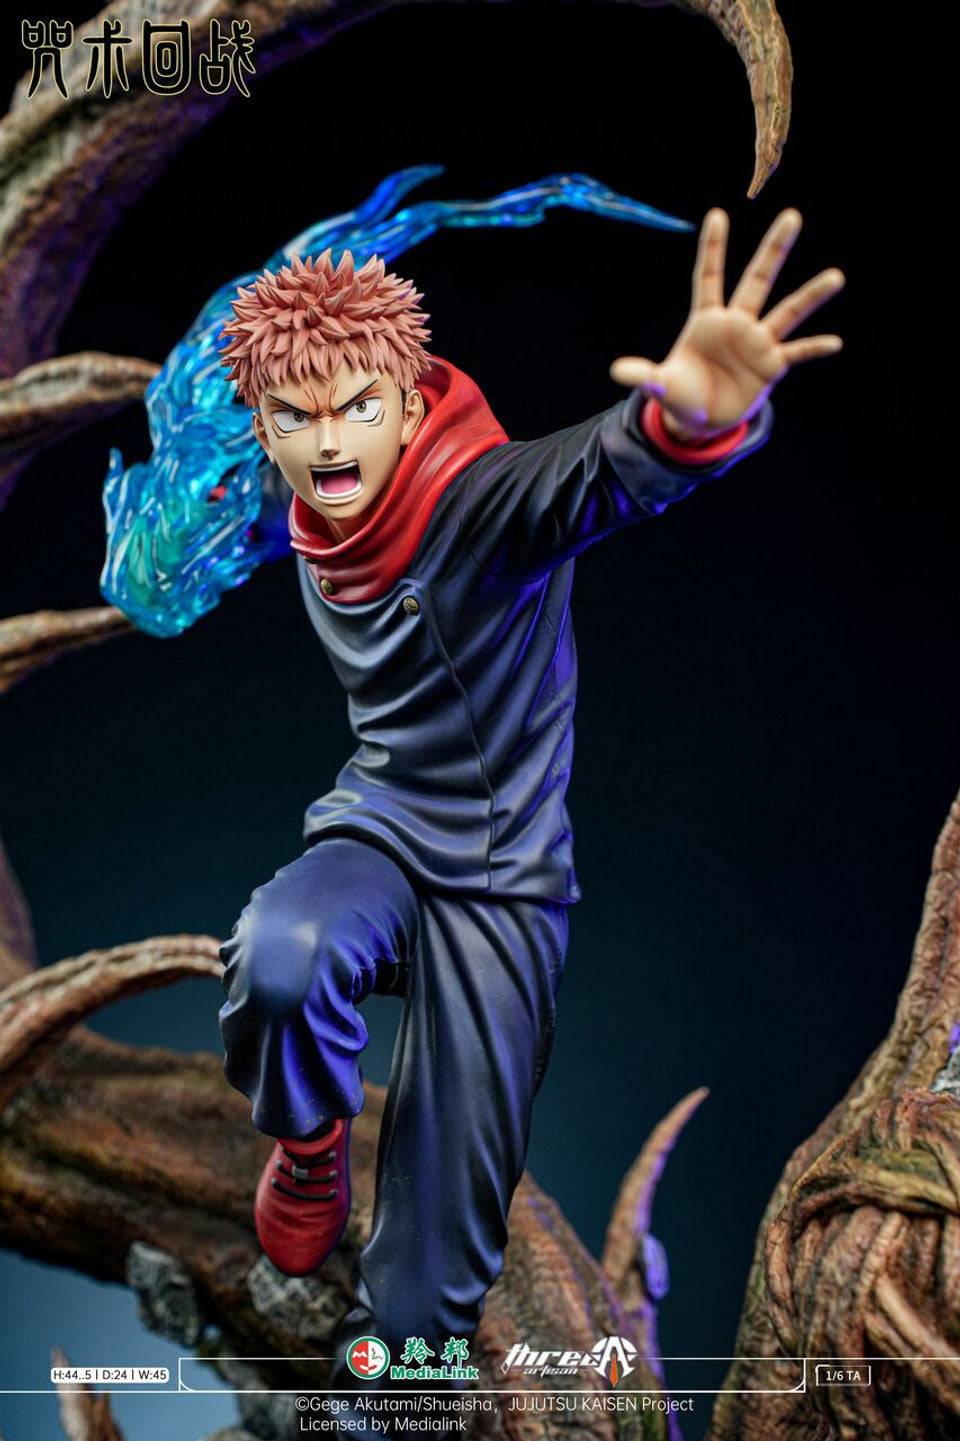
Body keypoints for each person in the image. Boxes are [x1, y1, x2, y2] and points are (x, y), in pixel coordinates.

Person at [216, 209, 843, 1366]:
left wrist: (691, 422)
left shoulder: (482, 504)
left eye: (357, 408)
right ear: (264, 426)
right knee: (281, 956)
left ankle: (399, 1396)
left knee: (439, 1237)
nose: (328, 443)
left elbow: (594, 475)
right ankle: (307, 1151)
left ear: (412, 407)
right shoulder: (296, 506)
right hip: (381, 835)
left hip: (501, 884)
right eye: (295, 418)